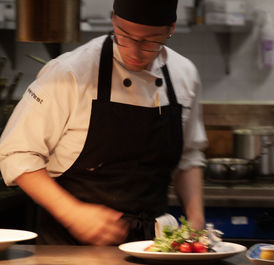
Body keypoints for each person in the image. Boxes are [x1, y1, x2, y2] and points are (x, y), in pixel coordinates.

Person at [0, 0, 207, 245]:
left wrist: (196, 221)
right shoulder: (70, 72)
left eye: (150, 41)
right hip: (71, 249)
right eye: (124, 35)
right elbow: (16, 153)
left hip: (152, 246)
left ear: (170, 29)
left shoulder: (184, 74)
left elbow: (188, 157)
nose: (134, 51)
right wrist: (72, 212)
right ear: (113, 21)